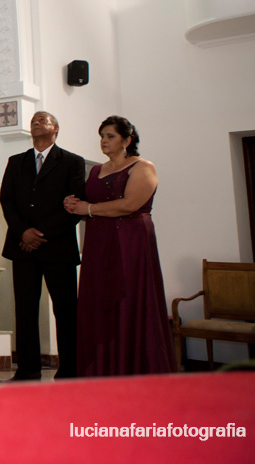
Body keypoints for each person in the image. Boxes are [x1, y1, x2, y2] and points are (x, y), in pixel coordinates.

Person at [64, 116, 175, 376]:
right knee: (98, 300)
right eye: (102, 135)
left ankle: (134, 367)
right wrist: (73, 204)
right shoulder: (95, 170)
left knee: (128, 300)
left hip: (131, 242)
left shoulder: (142, 167)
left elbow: (129, 205)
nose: (104, 140)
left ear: (127, 140)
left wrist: (88, 208)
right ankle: (102, 369)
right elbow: (89, 204)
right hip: (98, 242)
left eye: (110, 136)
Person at [0, 110, 86, 381]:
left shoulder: (72, 162)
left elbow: (74, 204)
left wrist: (40, 235)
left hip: (57, 248)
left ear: (55, 129)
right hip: (22, 248)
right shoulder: (16, 161)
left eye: (43, 120)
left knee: (66, 311)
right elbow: (7, 201)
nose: (36, 123)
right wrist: (23, 232)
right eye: (34, 121)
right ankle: (27, 370)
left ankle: (69, 370)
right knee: (25, 311)